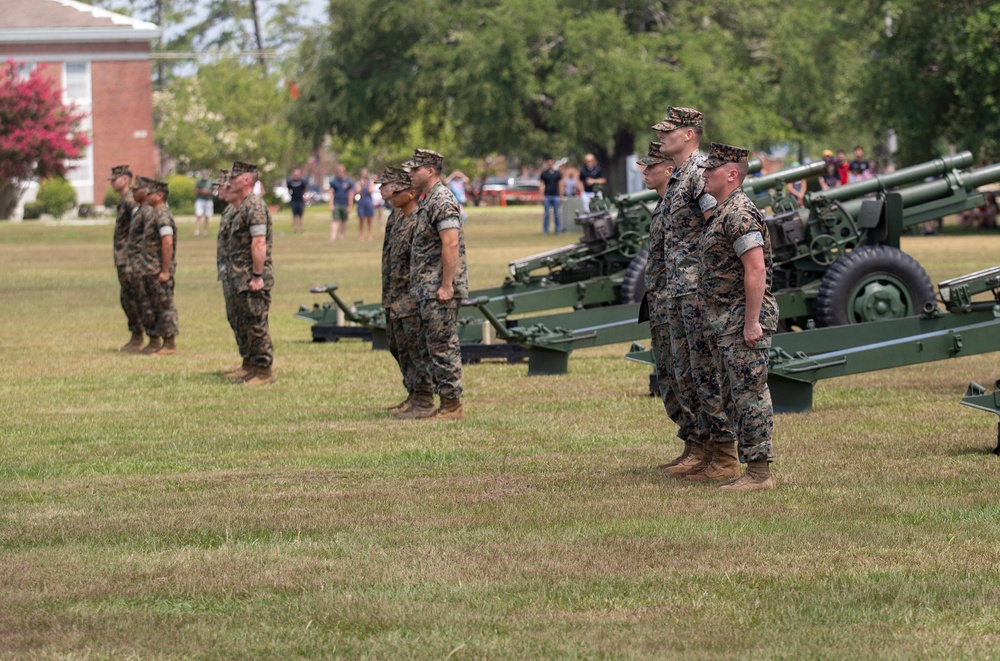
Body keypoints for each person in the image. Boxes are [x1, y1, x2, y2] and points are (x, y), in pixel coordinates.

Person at [650, 106, 736, 483]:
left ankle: (725, 456)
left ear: (689, 134)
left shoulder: (700, 175)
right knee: (686, 374)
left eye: (669, 131)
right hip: (677, 291)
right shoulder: (681, 176)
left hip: (697, 291)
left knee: (706, 374)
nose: (661, 136)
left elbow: (715, 227)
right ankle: (701, 447)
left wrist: (711, 283)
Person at [698, 143, 778, 491]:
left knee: (749, 395)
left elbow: (756, 269)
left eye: (710, 169)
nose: (704, 174)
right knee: (734, 395)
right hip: (725, 321)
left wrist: (751, 321)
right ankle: (747, 469)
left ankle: (760, 475)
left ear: (731, 174)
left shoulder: (740, 213)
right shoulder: (722, 211)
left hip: (740, 320)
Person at [400, 148, 469, 420]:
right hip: (426, 289)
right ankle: (440, 403)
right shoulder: (427, 200)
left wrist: (447, 285)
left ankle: (452, 406)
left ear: (430, 171)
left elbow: (450, 243)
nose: (410, 173)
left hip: (438, 289)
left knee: (443, 346)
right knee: (432, 346)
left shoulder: (442, 200)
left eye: (415, 169)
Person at [379, 166, 433, 416]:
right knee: (398, 347)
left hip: (410, 298)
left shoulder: (418, 221)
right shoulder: (396, 217)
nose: (388, 193)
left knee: (415, 348)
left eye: (393, 189)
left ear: (410, 193)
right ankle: (413, 394)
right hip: (394, 296)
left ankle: (424, 399)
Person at [226, 160, 276, 385]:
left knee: (256, 323)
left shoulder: (254, 205)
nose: (229, 182)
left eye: (233, 177)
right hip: (241, 276)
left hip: (251, 277)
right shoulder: (244, 205)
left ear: (246, 180)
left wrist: (257, 276)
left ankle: (264, 371)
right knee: (245, 323)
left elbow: (259, 243)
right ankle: (253, 366)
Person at [214, 169, 252, 382]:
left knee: (250, 320)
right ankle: (247, 362)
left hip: (243, 274)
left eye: (223, 184)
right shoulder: (229, 211)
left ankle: (259, 366)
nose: (220, 189)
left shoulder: (248, 208)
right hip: (230, 273)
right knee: (236, 319)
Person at [140, 179, 179, 355]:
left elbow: (167, 243)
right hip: (150, 268)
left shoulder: (163, 215)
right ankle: (159, 341)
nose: (146, 196)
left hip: (158, 269)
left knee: (164, 305)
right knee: (154, 305)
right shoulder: (155, 214)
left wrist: (165, 270)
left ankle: (170, 343)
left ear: (160, 195)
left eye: (150, 193)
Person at [109, 164, 144, 352]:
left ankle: (139, 336)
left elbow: (140, 224)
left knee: (131, 297)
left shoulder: (130, 199)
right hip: (123, 256)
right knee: (127, 296)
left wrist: (134, 250)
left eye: (115, 179)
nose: (112, 183)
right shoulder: (124, 199)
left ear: (125, 179)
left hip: (129, 257)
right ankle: (137, 335)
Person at [124, 176, 158, 353]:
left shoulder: (148, 212)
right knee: (135, 300)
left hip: (143, 263)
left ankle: (155, 339)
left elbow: (151, 240)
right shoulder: (140, 210)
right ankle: (143, 337)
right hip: (134, 263)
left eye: (135, 189)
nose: (132, 192)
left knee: (147, 302)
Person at [328, 164, 353, 242]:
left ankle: (342, 236)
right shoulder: (334, 182)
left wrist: (350, 205)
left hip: (345, 203)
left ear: (344, 172)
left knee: (343, 221)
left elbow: (351, 194)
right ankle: (333, 236)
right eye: (339, 172)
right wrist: (331, 204)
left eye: (341, 172)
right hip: (336, 203)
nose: (340, 173)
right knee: (335, 220)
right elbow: (331, 193)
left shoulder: (348, 181)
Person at [538, 158, 564, 234]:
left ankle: (557, 229)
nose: (550, 165)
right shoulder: (544, 174)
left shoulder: (557, 174)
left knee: (557, 214)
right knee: (546, 214)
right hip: (547, 196)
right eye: (548, 163)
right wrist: (541, 195)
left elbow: (560, 184)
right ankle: (545, 230)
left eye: (551, 163)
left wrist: (561, 195)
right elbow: (541, 184)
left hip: (555, 195)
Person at [356, 167, 376, 241]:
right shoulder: (358, 182)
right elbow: (358, 190)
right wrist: (361, 185)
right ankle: (361, 235)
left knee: (369, 219)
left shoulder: (370, 182)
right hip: (361, 202)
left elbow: (371, 190)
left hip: (368, 201)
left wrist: (367, 185)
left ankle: (370, 234)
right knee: (361, 219)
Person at [286, 167, 308, 233]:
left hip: (300, 200)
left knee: (301, 214)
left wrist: (305, 197)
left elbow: (305, 190)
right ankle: (294, 227)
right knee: (294, 214)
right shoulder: (290, 182)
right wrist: (290, 194)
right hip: (293, 200)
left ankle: (301, 227)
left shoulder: (302, 182)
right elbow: (289, 189)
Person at [194, 171, 213, 237]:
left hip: (208, 200)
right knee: (199, 215)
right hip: (200, 199)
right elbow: (194, 190)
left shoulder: (211, 181)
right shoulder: (199, 181)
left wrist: (208, 192)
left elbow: (214, 191)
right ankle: (196, 230)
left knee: (207, 216)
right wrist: (201, 191)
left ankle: (205, 230)